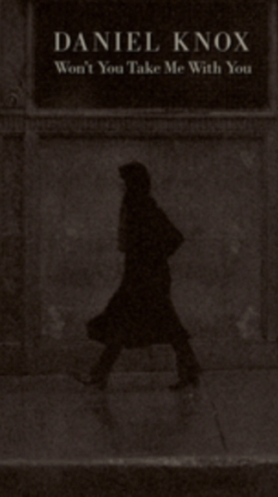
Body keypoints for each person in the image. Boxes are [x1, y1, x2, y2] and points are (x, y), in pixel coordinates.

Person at [80, 162, 201, 390]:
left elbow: (174, 237)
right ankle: (190, 368)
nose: (121, 186)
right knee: (156, 322)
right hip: (142, 276)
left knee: (124, 320)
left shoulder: (143, 206)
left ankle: (99, 374)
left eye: (124, 182)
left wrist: (151, 257)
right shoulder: (137, 205)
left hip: (146, 277)